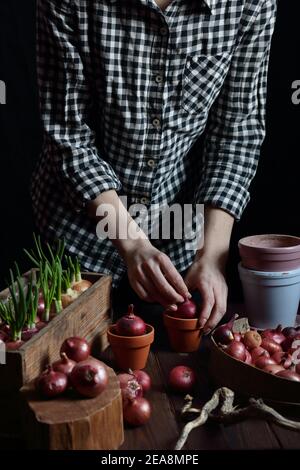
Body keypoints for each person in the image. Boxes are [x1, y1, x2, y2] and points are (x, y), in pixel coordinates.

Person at [32, 0, 277, 335]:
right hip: (75, 244)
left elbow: (235, 134)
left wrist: (212, 258)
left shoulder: (250, 4)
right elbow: (68, 136)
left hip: (176, 250)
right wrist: (132, 244)